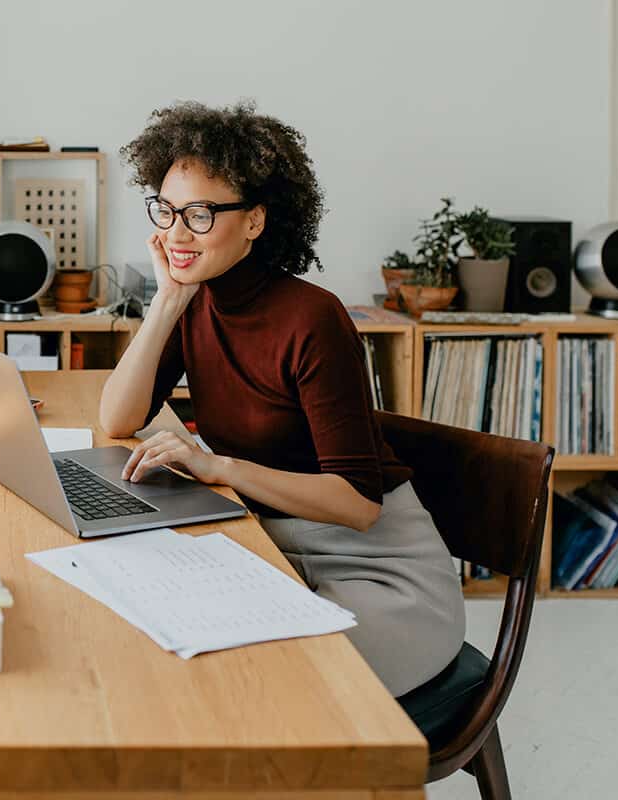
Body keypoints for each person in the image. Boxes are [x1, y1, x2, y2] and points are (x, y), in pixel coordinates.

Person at [100, 100, 464, 697]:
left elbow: (359, 503)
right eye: (166, 210)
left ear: (255, 221)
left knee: (247, 687)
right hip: (275, 548)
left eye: (199, 213)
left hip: (379, 576)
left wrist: (215, 466)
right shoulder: (195, 297)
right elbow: (117, 417)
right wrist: (167, 299)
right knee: (149, 642)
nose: (175, 233)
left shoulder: (312, 318)